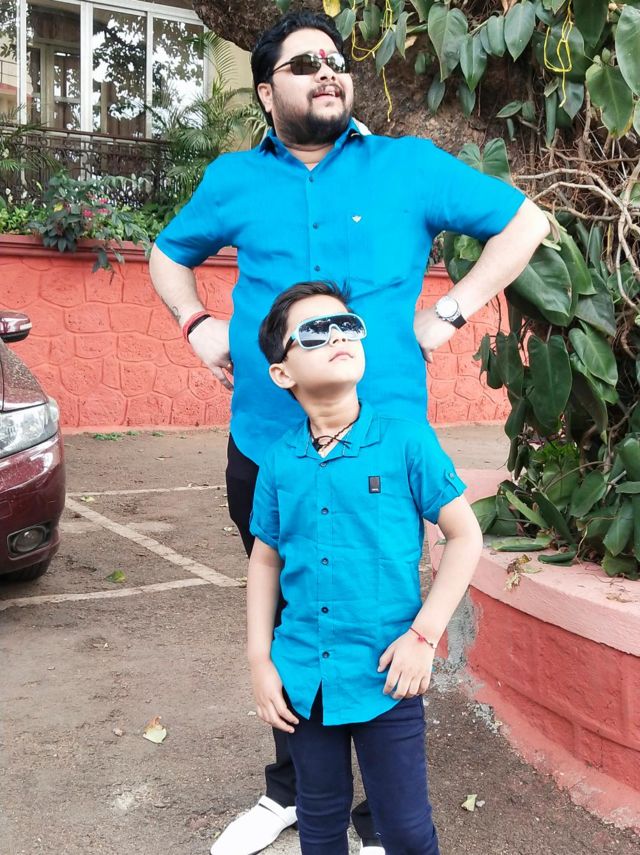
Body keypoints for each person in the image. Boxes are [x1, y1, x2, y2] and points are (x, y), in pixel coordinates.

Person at [148, 11, 549, 853]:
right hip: (266, 445)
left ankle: (379, 815)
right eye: (303, 63)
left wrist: (450, 311)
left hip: (384, 448)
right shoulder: (233, 178)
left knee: (378, 605)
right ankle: (294, 791)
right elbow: (168, 252)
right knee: (292, 611)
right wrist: (196, 323)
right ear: (267, 92)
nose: (327, 70)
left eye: (335, 59)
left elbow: (525, 224)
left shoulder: (408, 165)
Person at [246, 279, 483, 855]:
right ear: (282, 373)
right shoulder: (278, 460)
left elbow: (465, 536)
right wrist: (259, 660)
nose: (337, 337)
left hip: (389, 675)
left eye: (347, 325)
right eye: (314, 332)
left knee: (404, 829)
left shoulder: (406, 441)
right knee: (319, 821)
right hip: (304, 677)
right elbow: (265, 558)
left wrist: (423, 637)